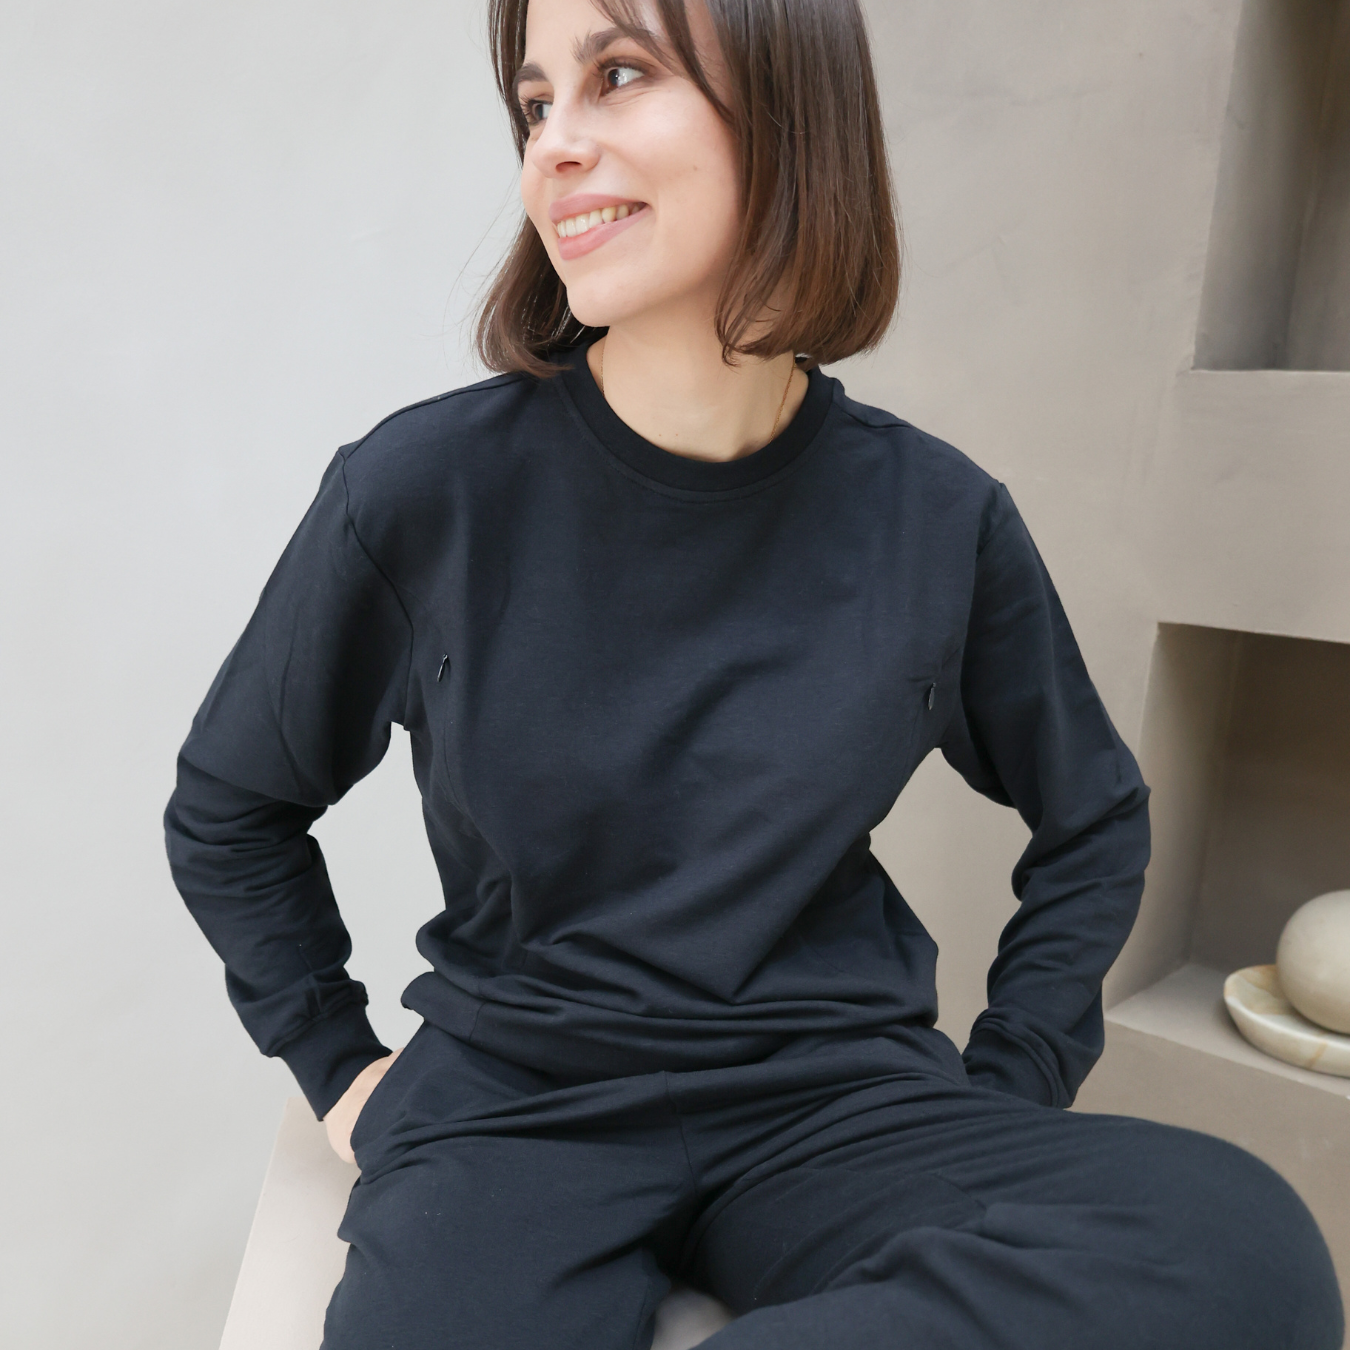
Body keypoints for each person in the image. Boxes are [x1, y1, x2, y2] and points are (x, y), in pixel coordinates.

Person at [164, 0, 1345, 1345]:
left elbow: (1093, 817)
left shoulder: (936, 519)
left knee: (1245, 1251)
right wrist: (337, 1063)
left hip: (834, 1101)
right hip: (515, 1104)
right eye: (536, 102)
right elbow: (231, 807)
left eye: (617, 75)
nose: (552, 144)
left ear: (791, 110)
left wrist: (1008, 1079)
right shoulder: (422, 491)